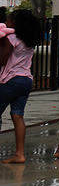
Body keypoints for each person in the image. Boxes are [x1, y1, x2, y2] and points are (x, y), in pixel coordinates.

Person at [0, 9, 43, 164]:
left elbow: (2, 60)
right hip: (26, 80)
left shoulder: (11, 38)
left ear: (14, 23)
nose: (6, 21)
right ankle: (19, 154)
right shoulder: (28, 40)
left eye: (9, 19)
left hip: (10, 80)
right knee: (17, 116)